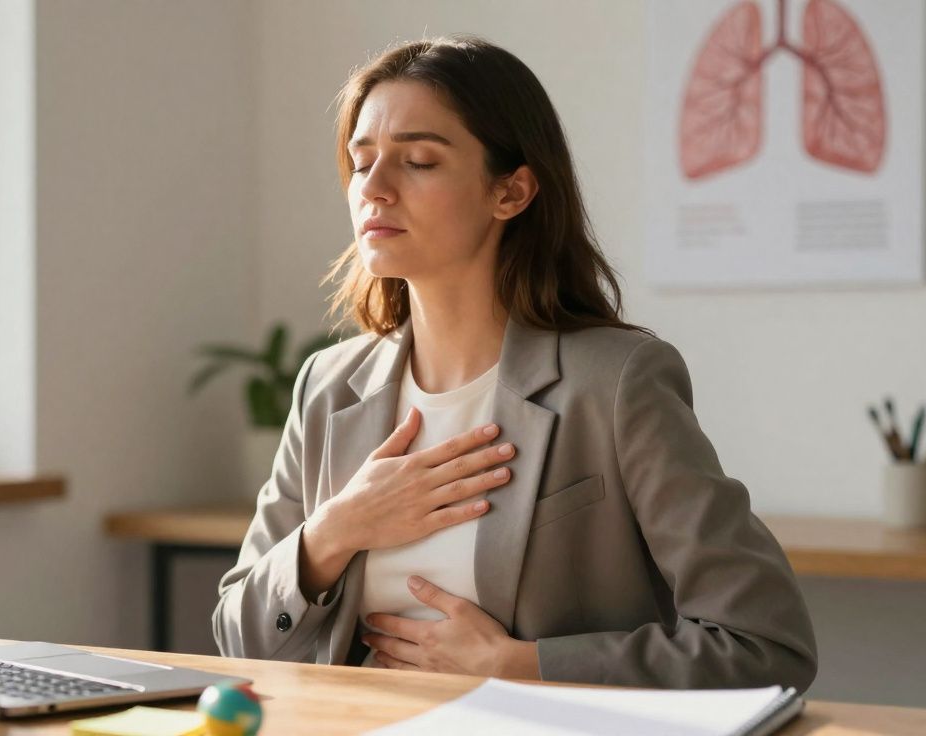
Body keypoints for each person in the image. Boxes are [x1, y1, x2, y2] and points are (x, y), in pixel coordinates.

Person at [212, 35, 817, 691]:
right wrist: (336, 530)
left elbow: (764, 645)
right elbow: (239, 639)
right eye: (361, 163)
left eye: (418, 161)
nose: (374, 189)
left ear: (511, 192)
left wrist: (519, 666)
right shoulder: (327, 387)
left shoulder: (616, 383)